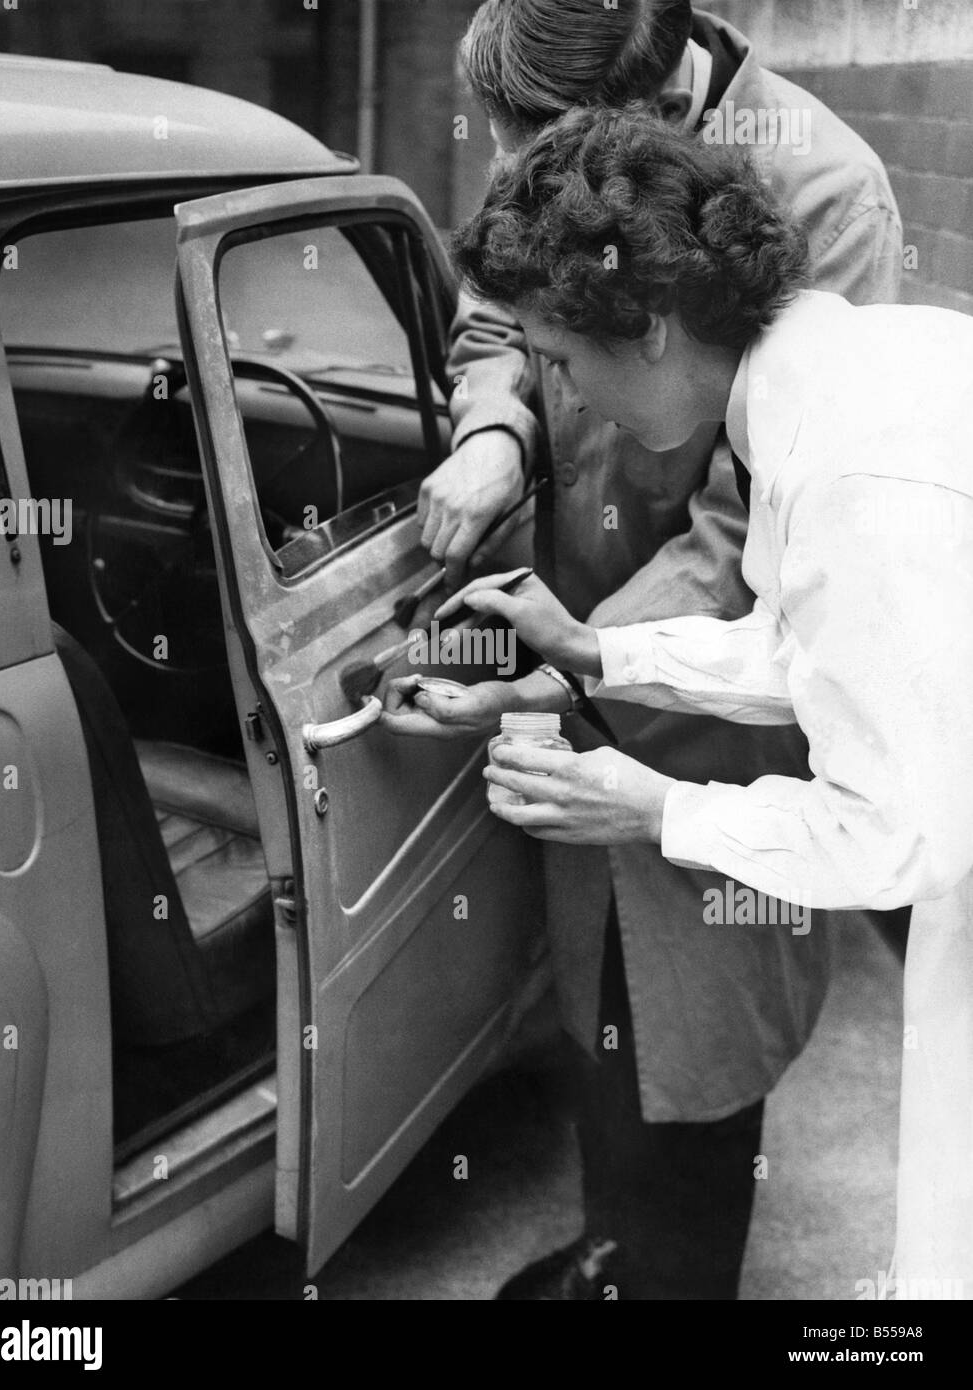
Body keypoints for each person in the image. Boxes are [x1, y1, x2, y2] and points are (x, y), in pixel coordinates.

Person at [391, 1, 903, 1299]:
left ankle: (661, 1266)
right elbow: (502, 306)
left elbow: (872, 795)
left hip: (720, 743)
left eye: (571, 352)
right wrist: (498, 430)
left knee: (694, 1051)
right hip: (626, 661)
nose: (555, 364)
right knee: (607, 1022)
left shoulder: (828, 223)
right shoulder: (577, 138)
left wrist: (640, 760)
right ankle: (619, 1250)